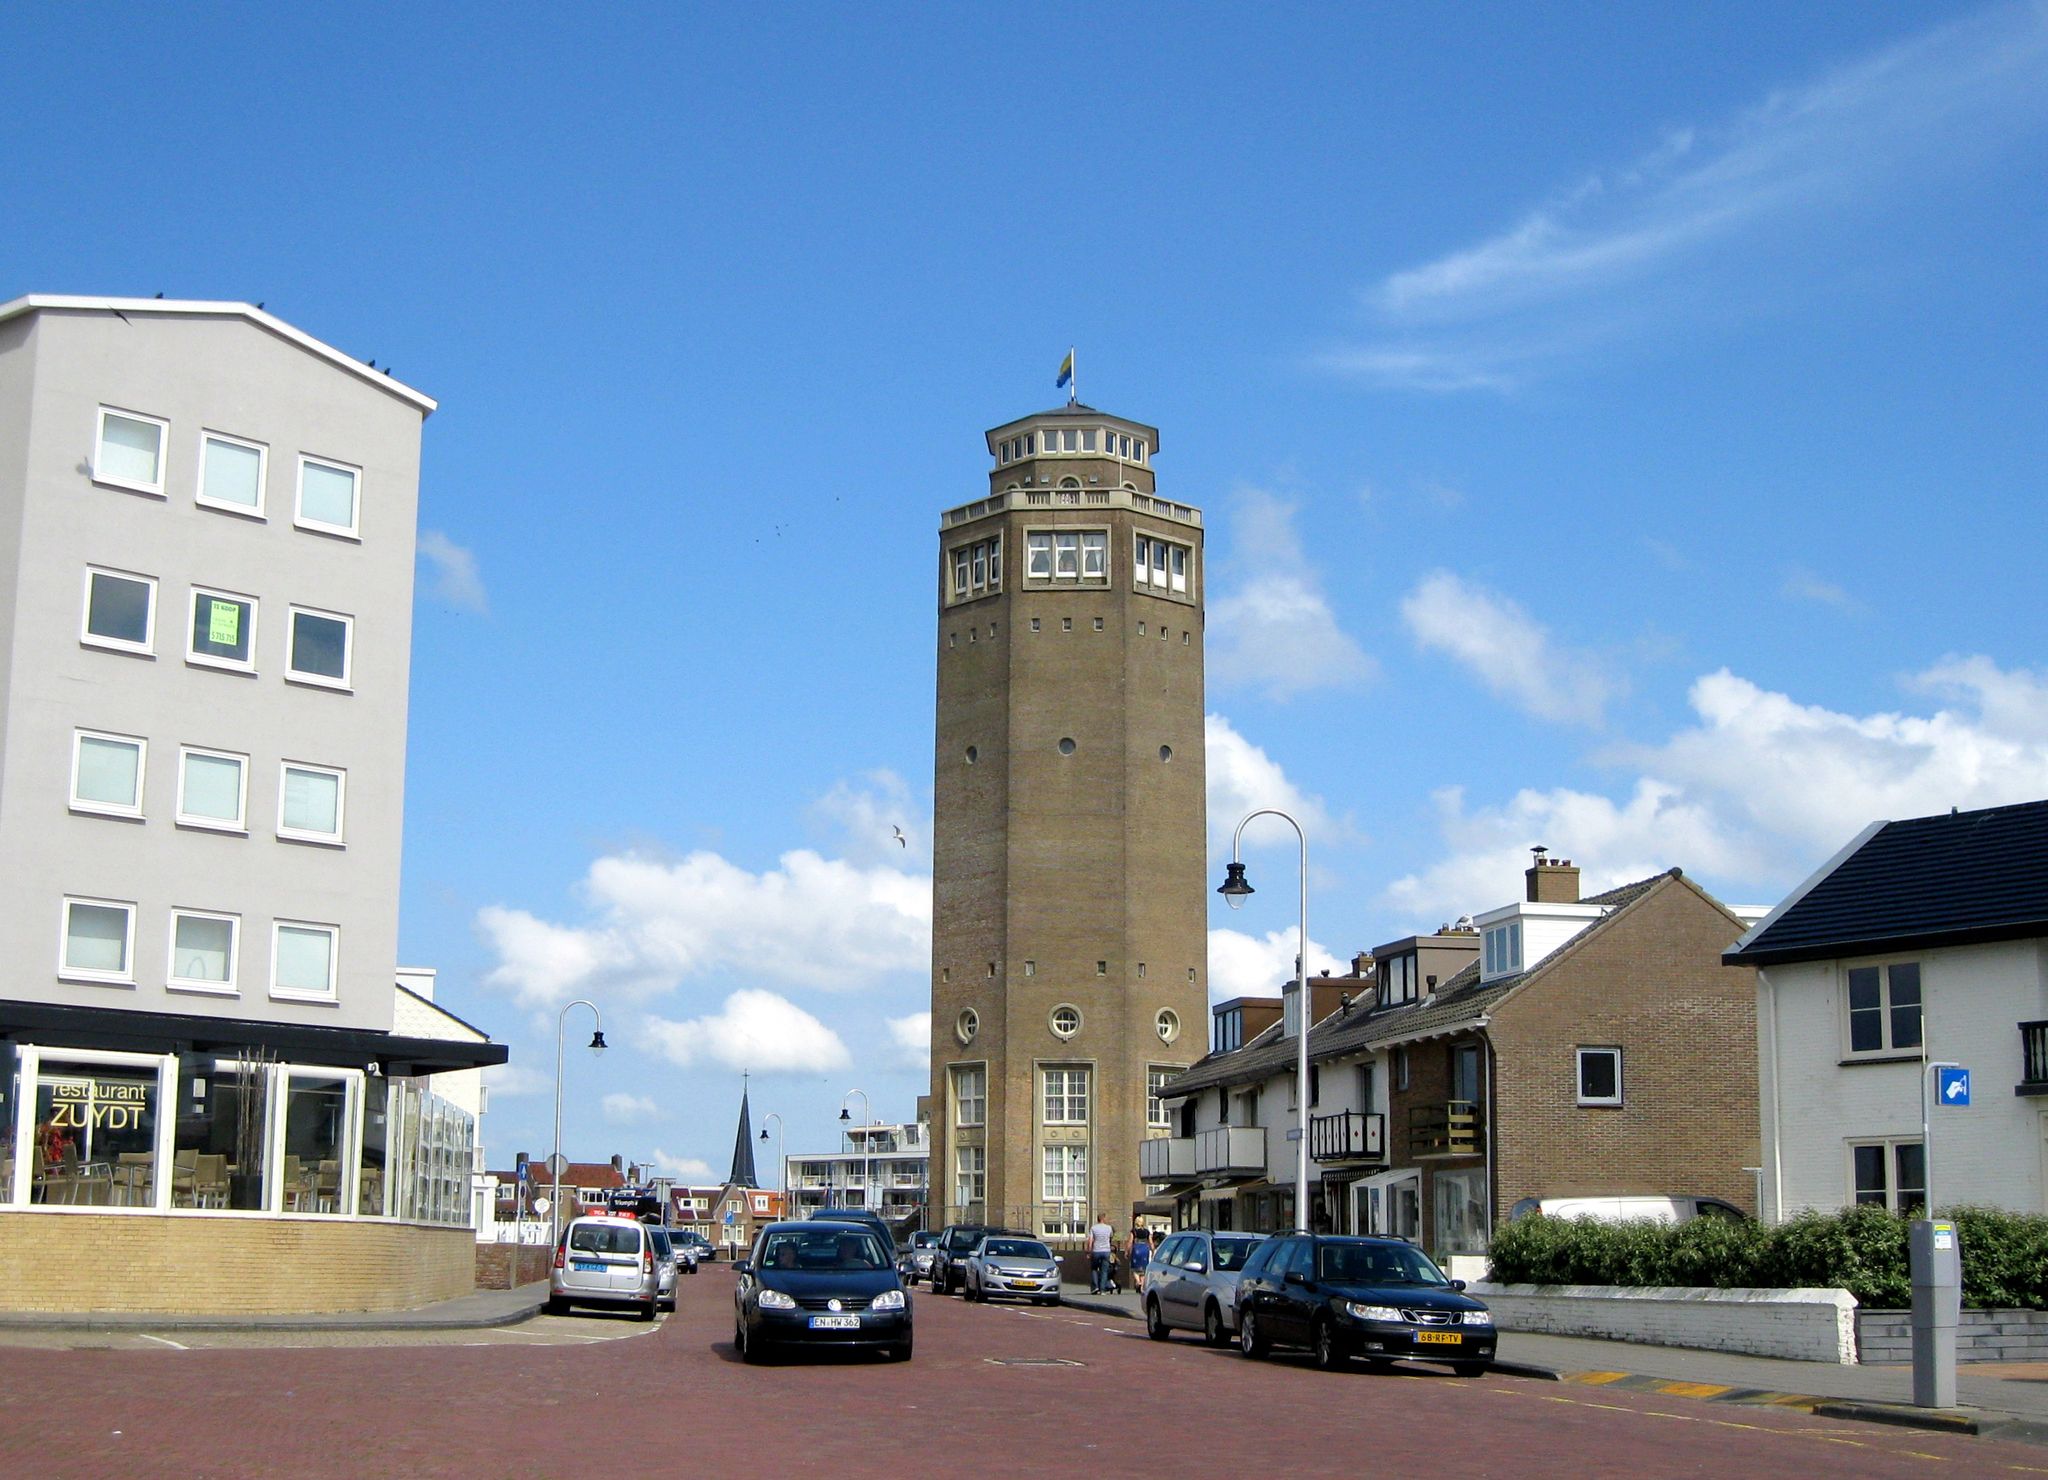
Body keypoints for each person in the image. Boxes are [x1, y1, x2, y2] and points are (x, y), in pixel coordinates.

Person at [1087, 1212, 1114, 1294]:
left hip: (1096, 1251)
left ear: (1098, 1219)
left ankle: (1095, 1287)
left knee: (1094, 1268)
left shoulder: (1093, 1228)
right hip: (1106, 1251)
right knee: (1104, 1270)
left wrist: (1088, 1251)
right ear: (1103, 1218)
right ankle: (1102, 1290)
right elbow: (1110, 1237)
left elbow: (1090, 1241)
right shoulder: (1109, 1228)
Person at [1129, 1226, 1152, 1292]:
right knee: (1144, 1269)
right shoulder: (1147, 1232)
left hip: (1136, 1249)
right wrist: (1153, 1250)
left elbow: (1130, 1242)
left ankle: (1138, 1281)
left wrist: (1127, 1251)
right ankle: (1142, 1285)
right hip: (1145, 1249)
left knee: (1135, 1268)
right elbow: (1150, 1242)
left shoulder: (1134, 1231)